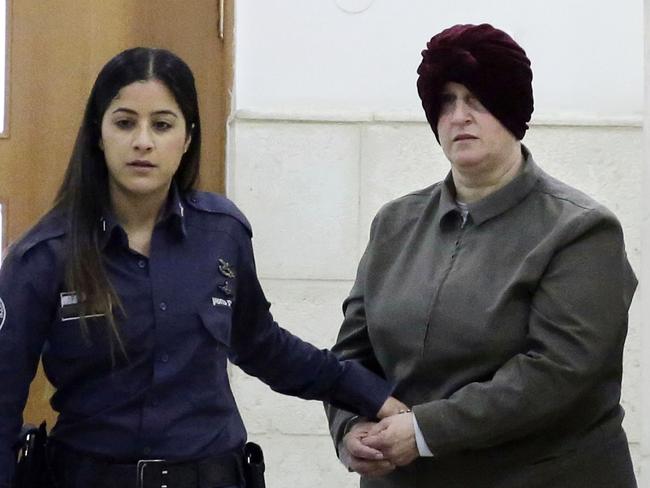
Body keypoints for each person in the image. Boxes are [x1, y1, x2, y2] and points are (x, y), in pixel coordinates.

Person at [0, 47, 405, 488]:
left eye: (162, 124)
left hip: (212, 474)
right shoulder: (42, 256)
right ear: (98, 134)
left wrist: (369, 393)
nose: (143, 141)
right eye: (124, 122)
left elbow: (262, 345)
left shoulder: (221, 232)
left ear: (188, 137)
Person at [325, 24, 638, 488]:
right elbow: (353, 352)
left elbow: (556, 373)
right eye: (446, 102)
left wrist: (426, 431)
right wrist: (351, 428)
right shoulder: (395, 223)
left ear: (513, 110)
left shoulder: (580, 230)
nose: (459, 116)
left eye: (477, 99)